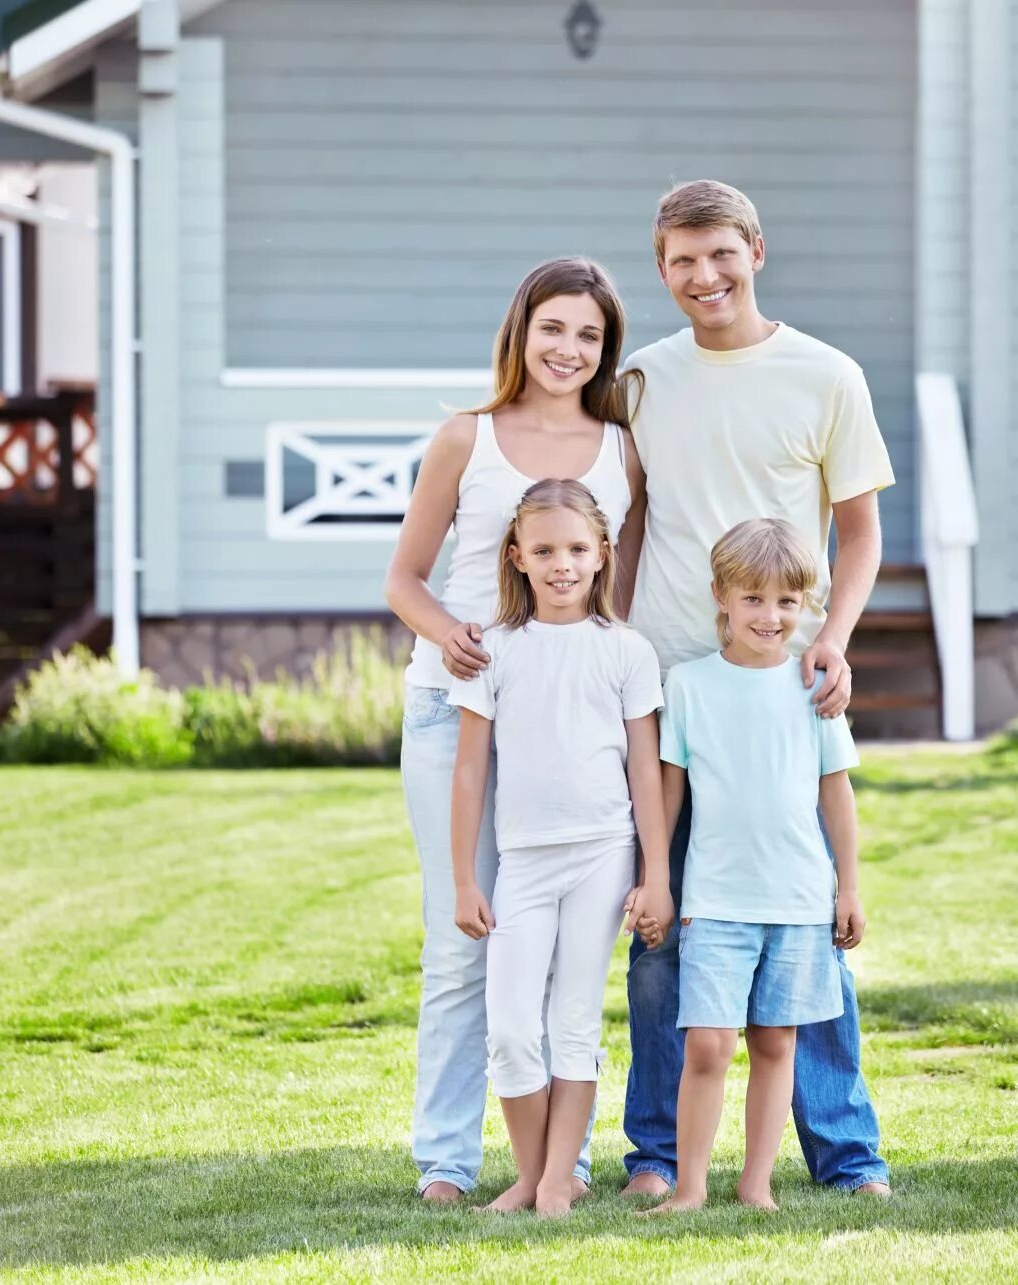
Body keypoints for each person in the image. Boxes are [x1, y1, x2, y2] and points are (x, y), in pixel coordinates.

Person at [618, 180, 894, 1199]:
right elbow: (631, 519)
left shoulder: (826, 376)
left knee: (805, 926)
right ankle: (657, 1153)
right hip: (671, 690)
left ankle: (845, 1152)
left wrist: (833, 635)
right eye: (683, 261)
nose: (705, 277)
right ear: (662, 269)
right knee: (664, 926)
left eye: (721, 254)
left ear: (757, 251)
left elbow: (859, 533)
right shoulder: (644, 379)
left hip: (784, 684)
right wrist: (612, 636)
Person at [384, 257, 658, 1203]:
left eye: (588, 335)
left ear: (604, 349)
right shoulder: (467, 437)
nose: (568, 350)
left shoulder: (623, 450)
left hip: (571, 731)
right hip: (453, 710)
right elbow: (404, 579)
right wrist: (449, 634)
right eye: (553, 329)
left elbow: (616, 595)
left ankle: (560, 1167)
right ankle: (447, 1160)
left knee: (563, 962)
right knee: (466, 940)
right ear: (521, 331)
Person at [446, 479, 669, 1217]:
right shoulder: (495, 650)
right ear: (516, 557)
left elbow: (645, 769)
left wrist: (655, 873)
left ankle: (552, 1183)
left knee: (573, 1019)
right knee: (511, 1027)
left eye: (577, 549)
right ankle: (531, 1170)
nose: (562, 564)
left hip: (604, 854)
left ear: (603, 555)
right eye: (544, 550)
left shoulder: (627, 651)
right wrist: (462, 882)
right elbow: (471, 768)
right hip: (524, 862)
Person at [643, 519, 867, 1214]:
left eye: (787, 602)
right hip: (714, 899)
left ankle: (757, 1185)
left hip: (799, 900)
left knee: (776, 1042)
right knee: (709, 1043)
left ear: (805, 606)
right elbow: (669, 789)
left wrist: (848, 888)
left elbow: (838, 791)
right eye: (753, 600)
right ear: (721, 597)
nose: (770, 617)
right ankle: (688, 1188)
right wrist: (658, 875)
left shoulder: (816, 689)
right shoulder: (688, 685)